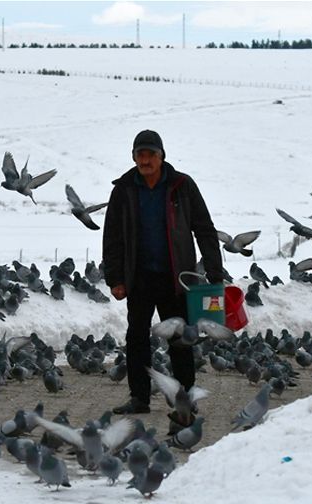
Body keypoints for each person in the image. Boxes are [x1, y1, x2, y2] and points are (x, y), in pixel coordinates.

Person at [103, 129, 224, 415]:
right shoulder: (124, 190)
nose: (145, 160)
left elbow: (204, 229)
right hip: (139, 278)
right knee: (136, 338)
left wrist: (215, 271)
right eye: (140, 154)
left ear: (161, 156)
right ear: (134, 157)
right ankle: (139, 398)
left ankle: (185, 397)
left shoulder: (182, 185)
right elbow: (112, 236)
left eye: (150, 154)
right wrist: (115, 278)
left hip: (176, 278)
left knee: (180, 339)